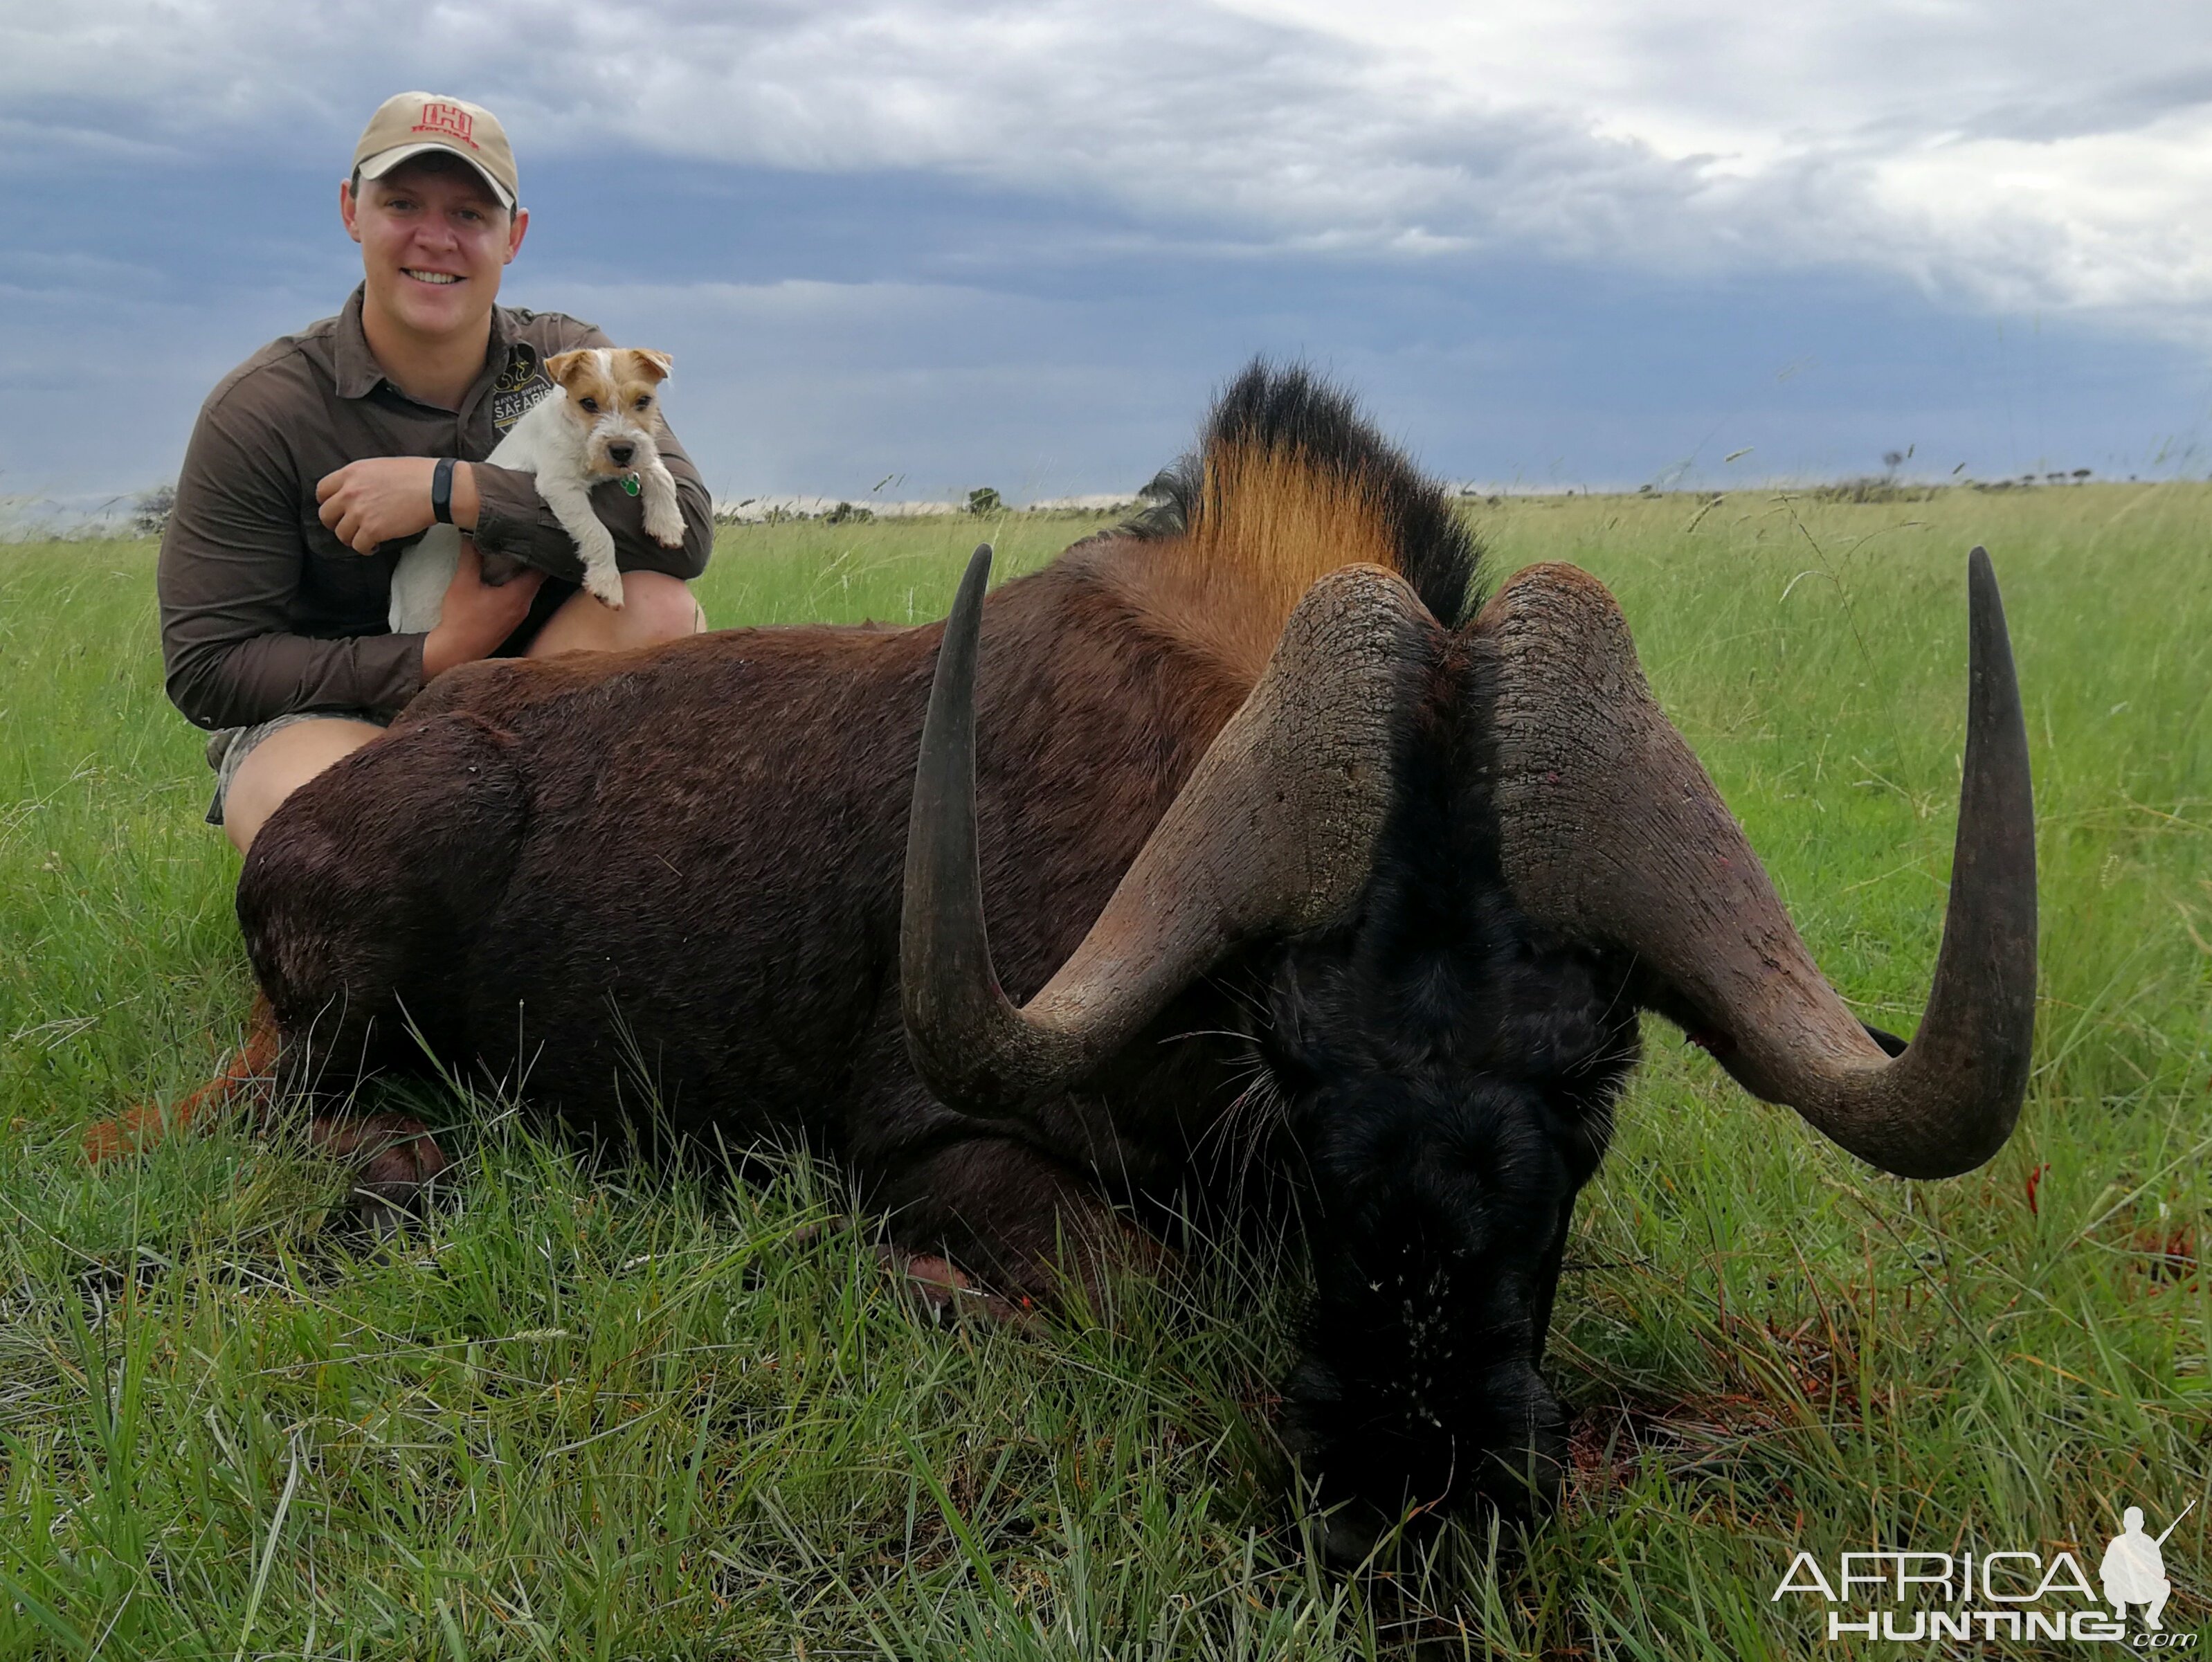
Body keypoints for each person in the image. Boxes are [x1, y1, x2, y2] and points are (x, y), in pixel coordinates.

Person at [158, 91, 714, 853]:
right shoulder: (262, 411)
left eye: (469, 215)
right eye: (402, 203)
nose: (435, 238)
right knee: (329, 826)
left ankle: (590, 888)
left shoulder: (569, 359)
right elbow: (210, 667)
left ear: (511, 237)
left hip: (535, 697)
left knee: (656, 610)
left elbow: (682, 539)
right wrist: (430, 659)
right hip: (340, 721)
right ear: (352, 211)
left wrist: (452, 491)